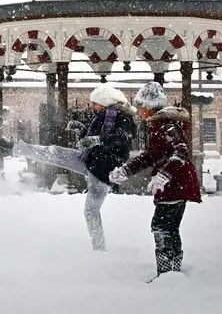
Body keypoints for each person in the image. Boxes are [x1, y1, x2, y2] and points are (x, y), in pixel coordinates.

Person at [10, 84, 137, 251]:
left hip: (104, 171)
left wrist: (95, 140)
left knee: (91, 212)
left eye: (95, 103)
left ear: (105, 102)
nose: (93, 107)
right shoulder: (103, 117)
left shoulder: (123, 118)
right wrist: (83, 130)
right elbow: (94, 139)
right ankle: (15, 147)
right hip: (91, 160)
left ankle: (100, 251)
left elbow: (121, 138)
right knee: (55, 152)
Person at [109, 81, 201, 276]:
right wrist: (125, 170)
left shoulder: (166, 126)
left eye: (141, 107)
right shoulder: (157, 125)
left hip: (175, 183)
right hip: (176, 183)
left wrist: (163, 175)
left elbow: (181, 151)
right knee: (170, 228)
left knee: (160, 227)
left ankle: (167, 273)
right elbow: (149, 156)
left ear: (149, 107)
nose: (139, 111)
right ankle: (173, 271)